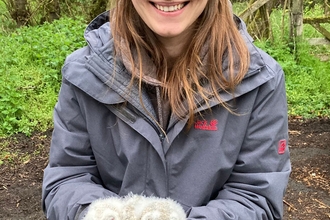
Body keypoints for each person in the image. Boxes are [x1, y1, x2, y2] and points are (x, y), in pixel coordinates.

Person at [42, 0, 291, 219]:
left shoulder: (259, 80)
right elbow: (67, 177)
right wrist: (96, 214)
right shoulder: (82, 73)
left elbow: (257, 196)